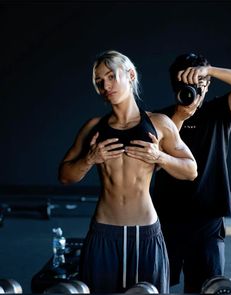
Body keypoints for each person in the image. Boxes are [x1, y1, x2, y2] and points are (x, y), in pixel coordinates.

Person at [58, 50, 198, 293]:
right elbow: (65, 176)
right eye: (99, 81)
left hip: (145, 234)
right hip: (104, 233)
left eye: (111, 77)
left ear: (130, 75)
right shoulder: (94, 128)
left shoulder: (159, 124)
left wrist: (160, 157)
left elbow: (191, 170)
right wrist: (90, 159)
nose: (105, 85)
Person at [152, 52, 231, 293]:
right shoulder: (160, 118)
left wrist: (208, 71)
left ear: (207, 86)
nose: (192, 89)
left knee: (207, 288)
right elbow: (154, 162)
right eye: (184, 84)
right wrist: (179, 117)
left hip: (208, 217)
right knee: (157, 286)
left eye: (198, 83)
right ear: (174, 86)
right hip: (166, 216)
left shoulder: (220, 112)